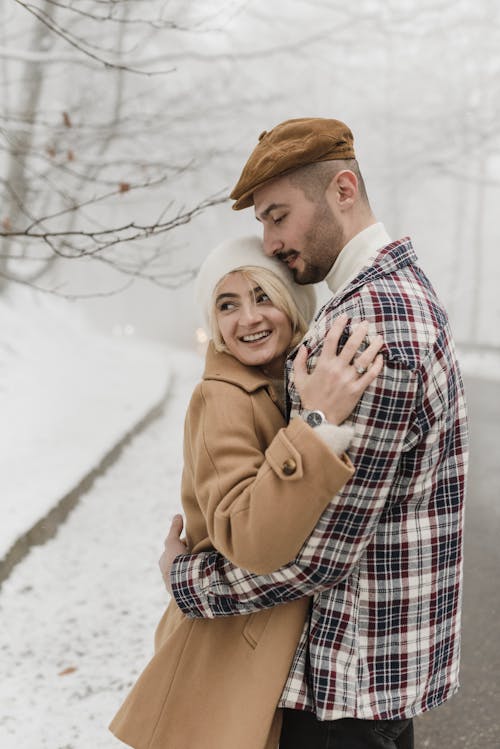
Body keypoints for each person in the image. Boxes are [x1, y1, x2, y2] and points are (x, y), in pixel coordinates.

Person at [162, 118, 469, 749]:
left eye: (278, 216)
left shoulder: (371, 324)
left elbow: (319, 553)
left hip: (349, 683)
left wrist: (187, 583)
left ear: (344, 190)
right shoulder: (378, 296)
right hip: (361, 675)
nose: (270, 242)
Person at [109, 235, 384, 749]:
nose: (247, 318)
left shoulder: (284, 383)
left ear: (293, 302)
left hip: (262, 641)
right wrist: (317, 424)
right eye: (226, 304)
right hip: (227, 649)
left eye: (263, 296)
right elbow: (251, 539)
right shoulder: (223, 398)